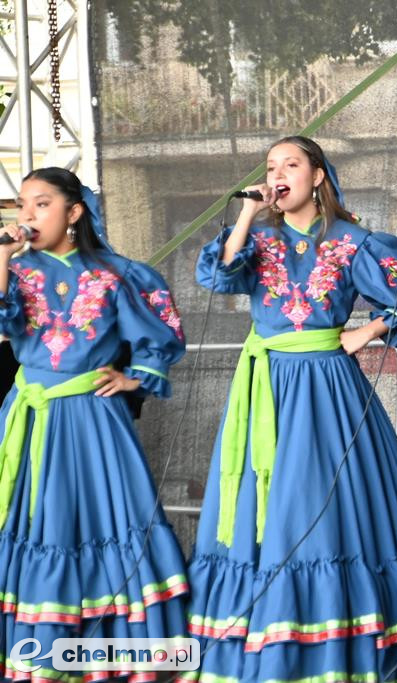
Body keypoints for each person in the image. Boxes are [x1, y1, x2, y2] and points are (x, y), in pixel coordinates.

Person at [186, 136, 397, 681]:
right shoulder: (257, 240)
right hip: (264, 387)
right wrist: (248, 211)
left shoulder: (353, 241)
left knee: (328, 511)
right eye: (271, 166)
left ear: (318, 176)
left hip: (327, 391)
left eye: (290, 164)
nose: (278, 173)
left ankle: (347, 647)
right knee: (264, 513)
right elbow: (216, 278)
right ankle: (265, 645)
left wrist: (365, 332)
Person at [0, 167, 189, 678]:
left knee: (103, 525)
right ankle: (33, 654)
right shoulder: (16, 271)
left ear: (74, 211)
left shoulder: (115, 274)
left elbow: (162, 334)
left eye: (42, 203)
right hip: (32, 416)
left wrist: (136, 378)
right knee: (35, 522)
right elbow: (3, 322)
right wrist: (2, 258)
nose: (28, 215)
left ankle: (113, 655)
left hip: (91, 420)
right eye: (23, 204)